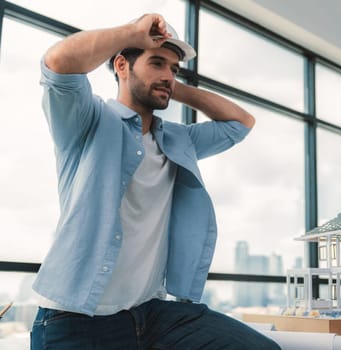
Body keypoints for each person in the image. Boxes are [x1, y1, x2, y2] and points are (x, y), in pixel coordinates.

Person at [30, 13, 281, 350]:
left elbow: (240, 123)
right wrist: (132, 32)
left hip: (150, 315)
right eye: (157, 63)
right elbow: (58, 62)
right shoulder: (88, 120)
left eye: (173, 69)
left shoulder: (179, 140)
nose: (167, 75)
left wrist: (172, 88)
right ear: (122, 65)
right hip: (75, 319)